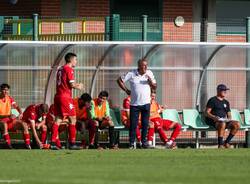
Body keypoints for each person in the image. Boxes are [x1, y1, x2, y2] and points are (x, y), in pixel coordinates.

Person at [117, 58, 157, 149]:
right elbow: (119, 80)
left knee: (145, 124)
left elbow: (155, 86)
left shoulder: (149, 73)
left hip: (146, 103)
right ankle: (131, 143)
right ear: (139, 66)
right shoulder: (131, 73)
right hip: (135, 104)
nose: (146, 67)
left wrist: (150, 82)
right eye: (143, 65)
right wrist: (126, 90)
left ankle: (144, 143)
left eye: (146, 65)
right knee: (133, 125)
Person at [51, 52, 84, 150]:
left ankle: (53, 142)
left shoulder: (60, 68)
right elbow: (72, 85)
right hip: (65, 97)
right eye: (76, 60)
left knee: (58, 119)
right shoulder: (69, 69)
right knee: (72, 118)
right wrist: (79, 86)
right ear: (71, 60)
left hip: (58, 96)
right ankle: (72, 143)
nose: (76, 62)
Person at [205, 84, 240, 148]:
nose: (225, 92)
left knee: (237, 124)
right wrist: (214, 117)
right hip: (213, 121)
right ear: (218, 91)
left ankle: (226, 142)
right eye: (223, 90)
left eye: (225, 90)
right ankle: (220, 144)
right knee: (222, 123)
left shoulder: (226, 102)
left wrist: (228, 119)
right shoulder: (212, 100)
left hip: (223, 120)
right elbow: (206, 113)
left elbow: (229, 115)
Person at [0, 83, 27, 149]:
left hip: (9, 120)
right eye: (4, 90)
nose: (6, 92)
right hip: (1, 121)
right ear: (0, 90)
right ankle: (9, 145)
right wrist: (8, 116)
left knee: (24, 124)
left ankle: (28, 145)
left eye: (7, 90)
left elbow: (17, 106)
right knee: (4, 124)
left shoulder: (9, 98)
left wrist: (20, 113)